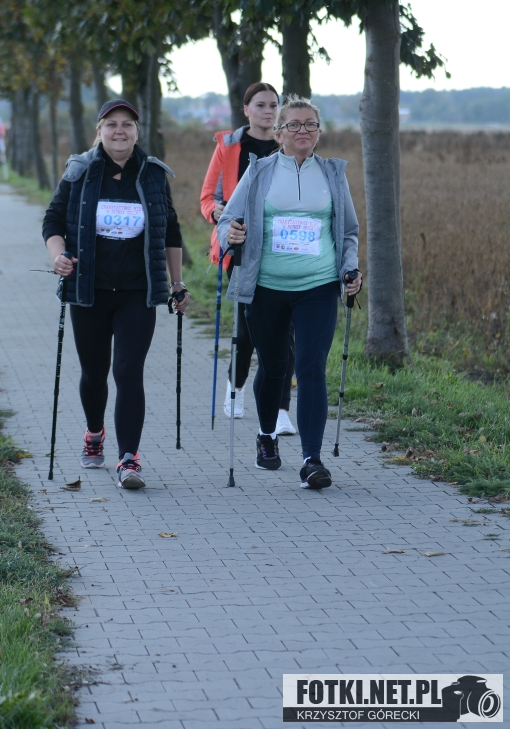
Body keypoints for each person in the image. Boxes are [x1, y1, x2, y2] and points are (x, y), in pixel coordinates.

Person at [42, 99, 190, 490]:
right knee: (94, 373)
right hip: (88, 289)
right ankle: (94, 433)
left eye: (127, 124)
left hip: (137, 291)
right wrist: (59, 256)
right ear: (99, 131)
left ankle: (129, 458)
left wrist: (176, 284)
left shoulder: (153, 174)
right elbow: (53, 220)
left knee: (127, 370)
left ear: (137, 132)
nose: (119, 131)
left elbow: (170, 231)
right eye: (111, 124)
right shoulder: (80, 170)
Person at [217, 95, 362, 489]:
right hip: (266, 287)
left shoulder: (332, 174)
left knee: (311, 368)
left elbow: (348, 231)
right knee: (274, 365)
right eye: (294, 125)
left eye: (310, 125)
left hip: (317, 286)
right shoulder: (259, 171)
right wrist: (231, 235)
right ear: (279, 133)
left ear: (319, 132)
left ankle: (312, 460)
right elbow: (228, 220)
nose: (303, 131)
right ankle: (266, 434)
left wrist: (349, 269)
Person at [200, 82, 296, 436]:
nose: (268, 111)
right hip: (240, 248)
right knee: (247, 330)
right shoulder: (229, 147)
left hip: (283, 247)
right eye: (260, 105)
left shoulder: (290, 144)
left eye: (273, 105)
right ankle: (236, 384)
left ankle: (281, 410)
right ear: (246, 109)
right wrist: (218, 214)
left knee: (286, 332)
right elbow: (207, 197)